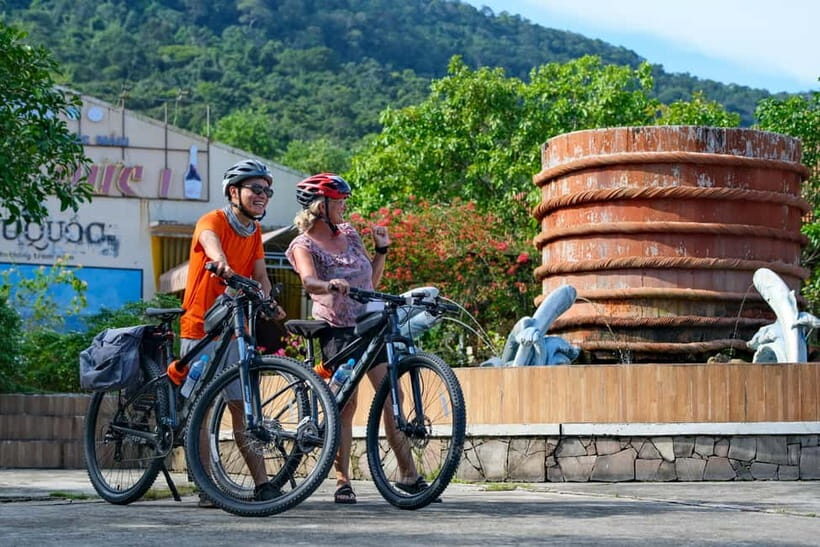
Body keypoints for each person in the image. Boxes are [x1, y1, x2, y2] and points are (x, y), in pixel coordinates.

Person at [286, 173, 435, 504]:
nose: (344, 207)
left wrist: (381, 251)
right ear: (319, 207)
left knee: (391, 396)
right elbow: (309, 282)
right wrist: (330, 285)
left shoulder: (350, 234)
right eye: (338, 201)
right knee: (345, 406)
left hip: (371, 324)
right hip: (337, 329)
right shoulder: (303, 245)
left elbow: (370, 280)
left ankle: (409, 476)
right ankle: (342, 480)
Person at [177, 158, 285, 507]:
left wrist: (268, 303)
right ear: (233, 191)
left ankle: (262, 484)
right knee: (201, 409)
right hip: (201, 326)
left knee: (242, 406)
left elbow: (261, 275)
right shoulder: (211, 220)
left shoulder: (253, 233)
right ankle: (206, 486)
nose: (262, 196)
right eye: (256, 189)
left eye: (267, 191)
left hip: (234, 329)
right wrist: (220, 262)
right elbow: (211, 243)